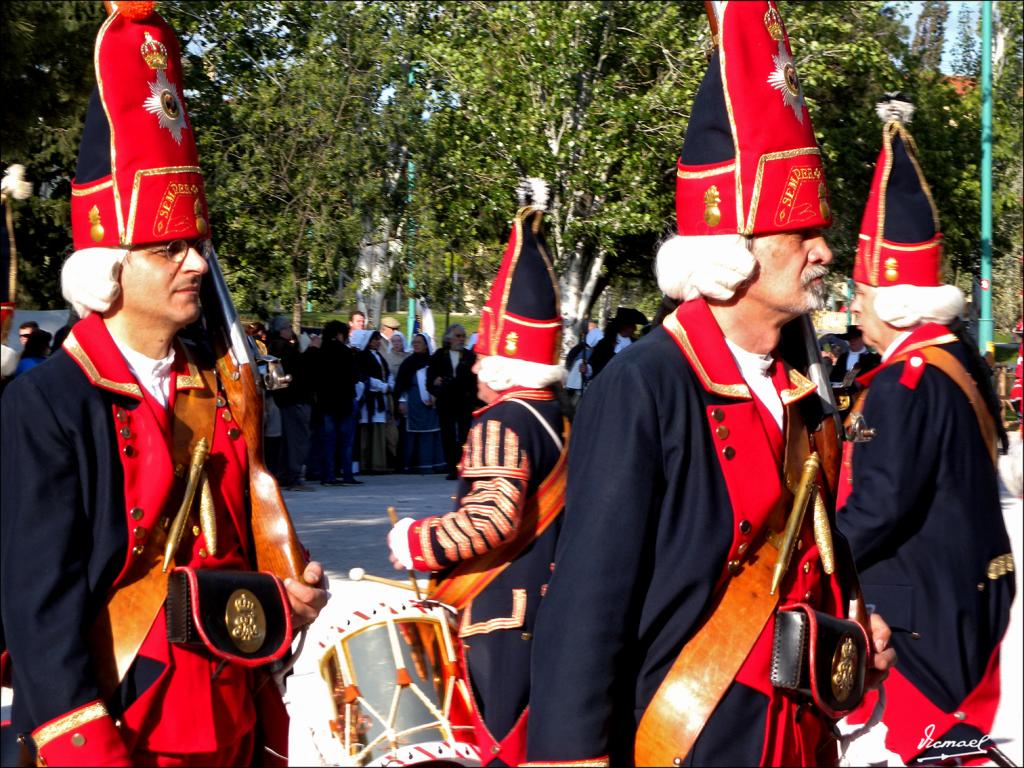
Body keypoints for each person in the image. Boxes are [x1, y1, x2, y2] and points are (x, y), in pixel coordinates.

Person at [526, 4, 894, 764]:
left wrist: (853, 616)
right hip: (688, 742)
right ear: (734, 250)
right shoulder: (646, 385)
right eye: (801, 233)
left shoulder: (798, 383)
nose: (825, 251)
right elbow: (589, 602)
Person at [0, 6, 327, 765]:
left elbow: (230, 561)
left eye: (196, 245)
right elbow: (38, 605)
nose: (194, 265)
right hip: (117, 722)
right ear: (109, 270)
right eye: (167, 248)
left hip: (230, 710)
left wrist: (289, 592)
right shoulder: (47, 402)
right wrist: (83, 743)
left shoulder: (217, 386)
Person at [835, 95, 1013, 765]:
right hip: (973, 580)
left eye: (860, 294)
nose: (854, 310)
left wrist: (816, 558)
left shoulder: (904, 383)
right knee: (957, 743)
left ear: (891, 298)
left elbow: (880, 504)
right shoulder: (956, 358)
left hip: (920, 603)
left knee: (936, 746)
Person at [388, 179, 567, 765]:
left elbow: (491, 519)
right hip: (548, 604)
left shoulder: (500, 422)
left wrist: (415, 539)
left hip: (499, 614)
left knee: (491, 748)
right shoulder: (555, 419)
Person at [267, 315, 317, 490]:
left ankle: (286, 475)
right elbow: (301, 369)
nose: (291, 331)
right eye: (288, 327)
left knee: (288, 440)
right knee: (297, 440)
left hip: (285, 399)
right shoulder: (284, 349)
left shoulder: (273, 347)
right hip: (295, 399)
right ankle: (294, 476)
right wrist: (312, 350)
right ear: (281, 330)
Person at [309, 320, 361, 486]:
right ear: (340, 334)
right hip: (345, 400)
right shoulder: (346, 352)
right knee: (346, 441)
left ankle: (328, 474)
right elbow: (354, 377)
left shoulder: (321, 351)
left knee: (328, 440)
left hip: (326, 402)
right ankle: (347, 473)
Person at [428, 323, 477, 479]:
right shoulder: (439, 355)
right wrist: (436, 386)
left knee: (464, 434)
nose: (461, 339)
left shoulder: (470, 356)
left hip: (464, 401)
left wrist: (474, 399)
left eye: (463, 336)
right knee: (448, 435)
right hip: (446, 401)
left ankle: (463, 466)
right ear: (449, 338)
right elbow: (429, 380)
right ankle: (452, 467)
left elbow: (476, 380)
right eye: (458, 336)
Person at [394, 332, 446, 473]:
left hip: (431, 403)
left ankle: (431, 465)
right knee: (412, 433)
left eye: (419, 343)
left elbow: (440, 380)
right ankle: (411, 465)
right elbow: (401, 384)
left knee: (431, 432)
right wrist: (402, 401)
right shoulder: (408, 363)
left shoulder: (433, 362)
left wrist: (435, 394)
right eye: (414, 342)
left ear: (426, 345)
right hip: (413, 402)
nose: (416, 345)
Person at [356, 329, 392, 473]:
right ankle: (365, 464)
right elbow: (365, 378)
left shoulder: (379, 356)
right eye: (374, 339)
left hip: (379, 399)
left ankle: (378, 463)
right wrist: (383, 386)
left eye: (378, 339)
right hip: (369, 399)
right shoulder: (362, 357)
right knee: (367, 431)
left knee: (378, 432)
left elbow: (387, 373)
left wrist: (389, 384)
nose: (377, 342)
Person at [586, 305, 646, 379]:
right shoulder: (605, 343)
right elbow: (594, 364)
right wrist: (587, 369)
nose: (635, 328)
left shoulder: (636, 344)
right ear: (623, 326)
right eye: (632, 325)